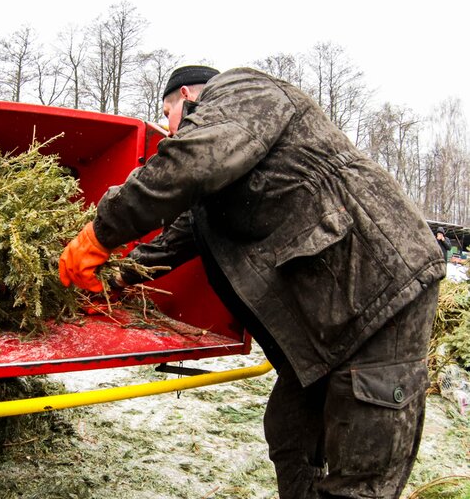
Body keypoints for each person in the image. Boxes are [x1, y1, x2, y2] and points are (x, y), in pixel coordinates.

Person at [59, 65, 446, 498]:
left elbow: (192, 160)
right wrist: (112, 277)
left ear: (185, 96)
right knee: (291, 434)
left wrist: (101, 230)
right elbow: (176, 240)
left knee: (360, 471)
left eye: (167, 114)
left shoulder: (244, 90)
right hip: (326, 311)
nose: (167, 133)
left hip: (376, 288)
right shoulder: (222, 176)